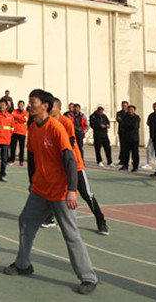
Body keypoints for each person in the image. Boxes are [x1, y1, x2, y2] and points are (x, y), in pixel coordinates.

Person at [2, 89, 97, 295]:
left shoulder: (56, 128)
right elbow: (32, 157)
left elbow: (70, 160)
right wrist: (32, 181)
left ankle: (88, 277)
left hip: (61, 192)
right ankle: (23, 264)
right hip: (40, 190)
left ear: (45, 106)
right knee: (25, 222)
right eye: (29, 102)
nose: (29, 106)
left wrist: (72, 190)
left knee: (71, 234)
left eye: (33, 102)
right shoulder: (33, 128)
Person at [51, 99, 109, 236]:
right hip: (60, 166)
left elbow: (69, 145)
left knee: (86, 194)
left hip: (74, 164)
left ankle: (101, 221)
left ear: (58, 109)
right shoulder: (49, 123)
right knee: (54, 192)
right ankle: (49, 217)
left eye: (51, 107)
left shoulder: (66, 123)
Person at [118, 105, 141, 172]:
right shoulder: (125, 117)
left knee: (135, 153)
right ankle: (125, 165)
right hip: (126, 137)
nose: (130, 111)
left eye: (131, 109)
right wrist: (126, 124)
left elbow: (134, 126)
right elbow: (122, 124)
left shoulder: (136, 118)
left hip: (134, 138)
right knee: (125, 152)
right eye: (129, 109)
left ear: (134, 110)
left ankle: (135, 167)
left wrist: (126, 124)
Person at [10, 100, 28, 165]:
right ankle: (12, 160)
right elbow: (12, 117)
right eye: (19, 105)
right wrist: (20, 118)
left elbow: (24, 119)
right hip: (14, 131)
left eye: (22, 105)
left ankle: (21, 161)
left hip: (22, 132)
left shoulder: (26, 113)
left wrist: (16, 117)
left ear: (24, 106)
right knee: (13, 147)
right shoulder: (14, 111)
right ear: (18, 105)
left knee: (21, 148)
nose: (21, 106)